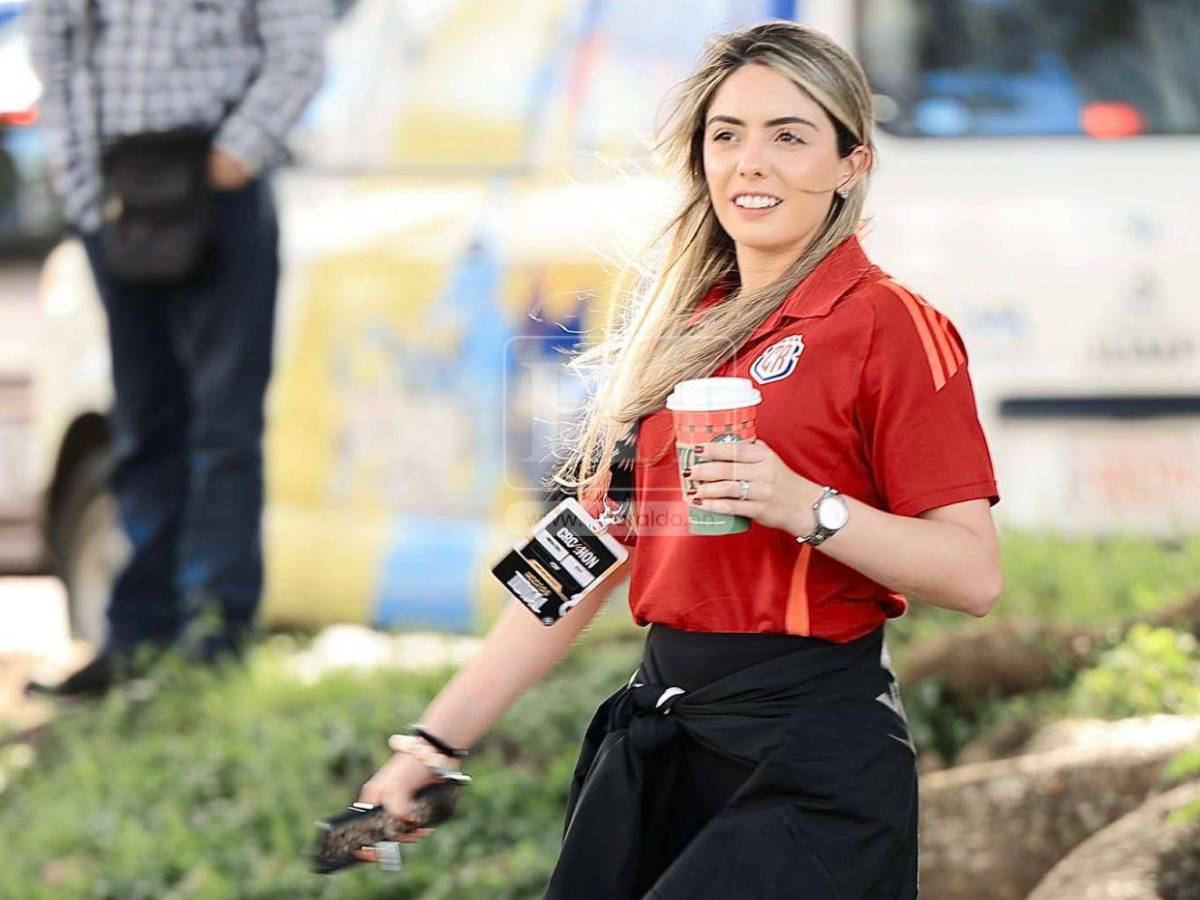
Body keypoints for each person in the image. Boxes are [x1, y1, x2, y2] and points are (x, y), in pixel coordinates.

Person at [357, 21, 1001, 899]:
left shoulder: (890, 325)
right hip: (662, 743)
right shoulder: (681, 331)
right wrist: (432, 745)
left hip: (814, 760)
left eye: (789, 136)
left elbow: (973, 575)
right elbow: (578, 560)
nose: (751, 163)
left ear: (852, 164)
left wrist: (806, 506)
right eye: (726, 135)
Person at [26, 0, 329, 696]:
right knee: (141, 425)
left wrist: (233, 158)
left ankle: (213, 642)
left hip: (220, 185)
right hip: (115, 192)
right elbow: (54, 46)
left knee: (225, 429)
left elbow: (298, 52)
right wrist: (79, 182)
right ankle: (135, 639)